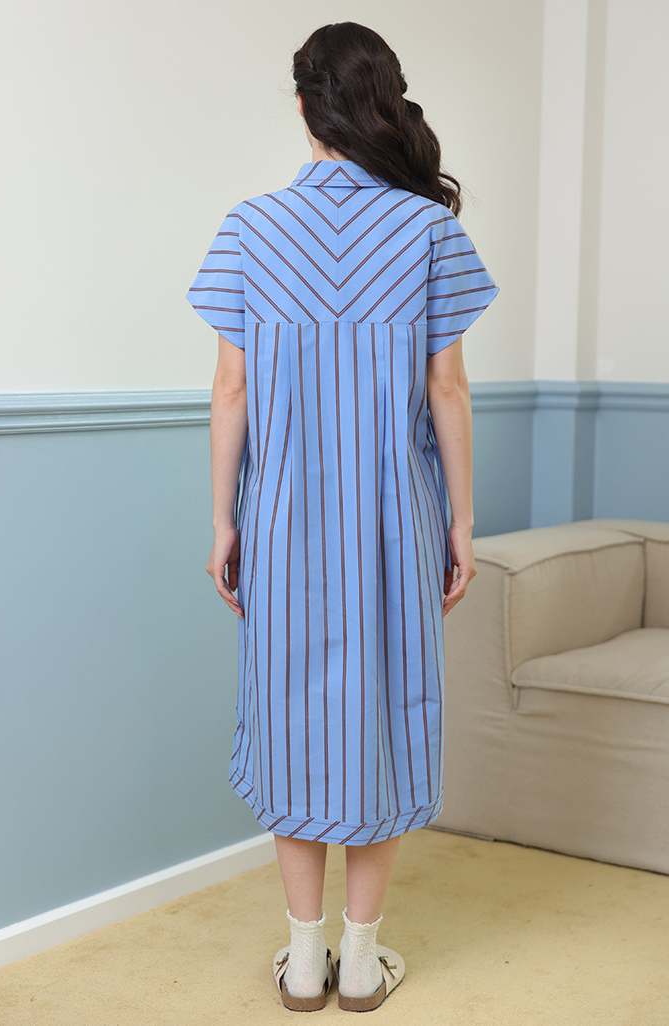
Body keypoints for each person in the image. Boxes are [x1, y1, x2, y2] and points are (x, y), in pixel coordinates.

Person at [186, 21, 499, 1012]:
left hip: (280, 525)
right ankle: (361, 960)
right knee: (386, 723)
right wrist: (460, 523)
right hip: (395, 527)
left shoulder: (249, 229)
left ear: (302, 105)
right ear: (382, 103)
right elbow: (446, 391)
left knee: (291, 725)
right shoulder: (427, 232)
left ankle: (304, 957)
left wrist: (224, 523)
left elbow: (229, 391)